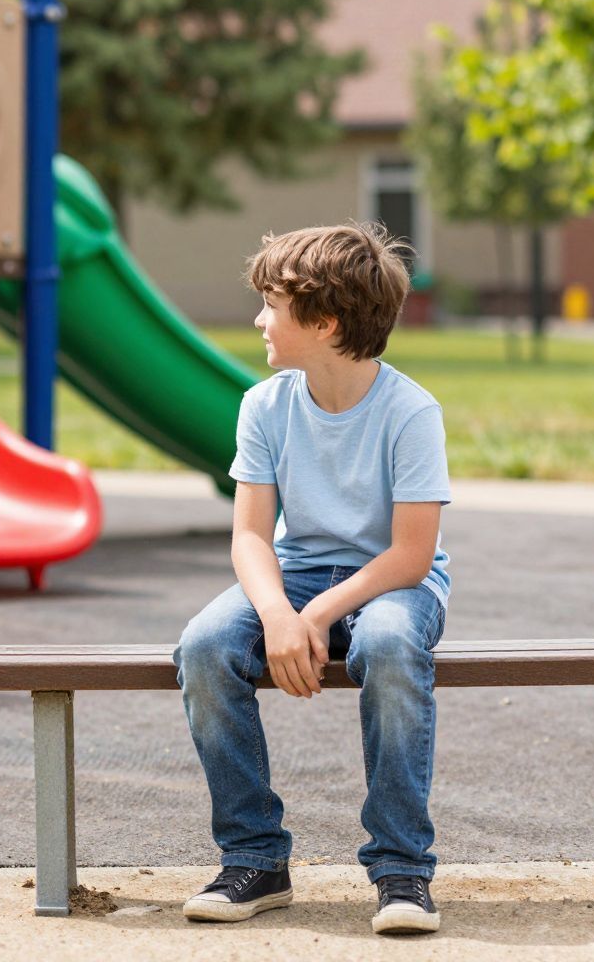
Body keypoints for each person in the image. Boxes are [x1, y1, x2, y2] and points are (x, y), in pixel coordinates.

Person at [173, 223, 451, 936]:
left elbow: (410, 557)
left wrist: (316, 614)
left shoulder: (410, 412)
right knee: (203, 646)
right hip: (293, 577)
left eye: (272, 305)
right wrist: (277, 613)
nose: (259, 320)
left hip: (390, 584)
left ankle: (402, 871)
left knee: (388, 647)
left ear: (324, 323)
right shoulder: (264, 405)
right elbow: (250, 537)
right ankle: (255, 858)